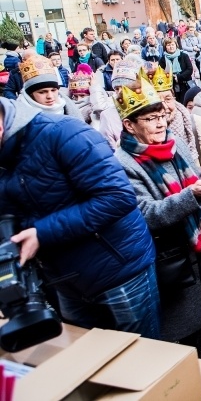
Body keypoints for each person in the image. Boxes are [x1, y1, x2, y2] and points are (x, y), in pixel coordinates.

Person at [0, 95, 160, 338]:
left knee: (141, 361)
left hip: (118, 271)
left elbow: (117, 197)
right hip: (64, 281)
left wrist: (41, 233)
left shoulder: (63, 133)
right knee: (90, 363)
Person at [114, 69, 201, 346]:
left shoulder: (175, 143)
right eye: (150, 119)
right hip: (167, 262)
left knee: (198, 326)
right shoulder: (123, 163)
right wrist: (190, 196)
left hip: (196, 250)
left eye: (162, 115)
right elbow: (146, 214)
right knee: (179, 336)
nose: (161, 123)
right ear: (129, 124)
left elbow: (196, 183)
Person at [16, 53, 82, 119]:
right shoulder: (18, 116)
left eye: (53, 90)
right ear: (30, 94)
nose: (50, 96)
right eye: (42, 92)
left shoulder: (67, 107)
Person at [159, 37, 194, 104]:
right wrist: (171, 77)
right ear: (165, 47)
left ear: (176, 45)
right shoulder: (162, 59)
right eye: (168, 45)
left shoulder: (184, 56)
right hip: (171, 86)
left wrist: (179, 77)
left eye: (172, 44)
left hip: (185, 84)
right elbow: (161, 73)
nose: (171, 47)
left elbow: (189, 69)